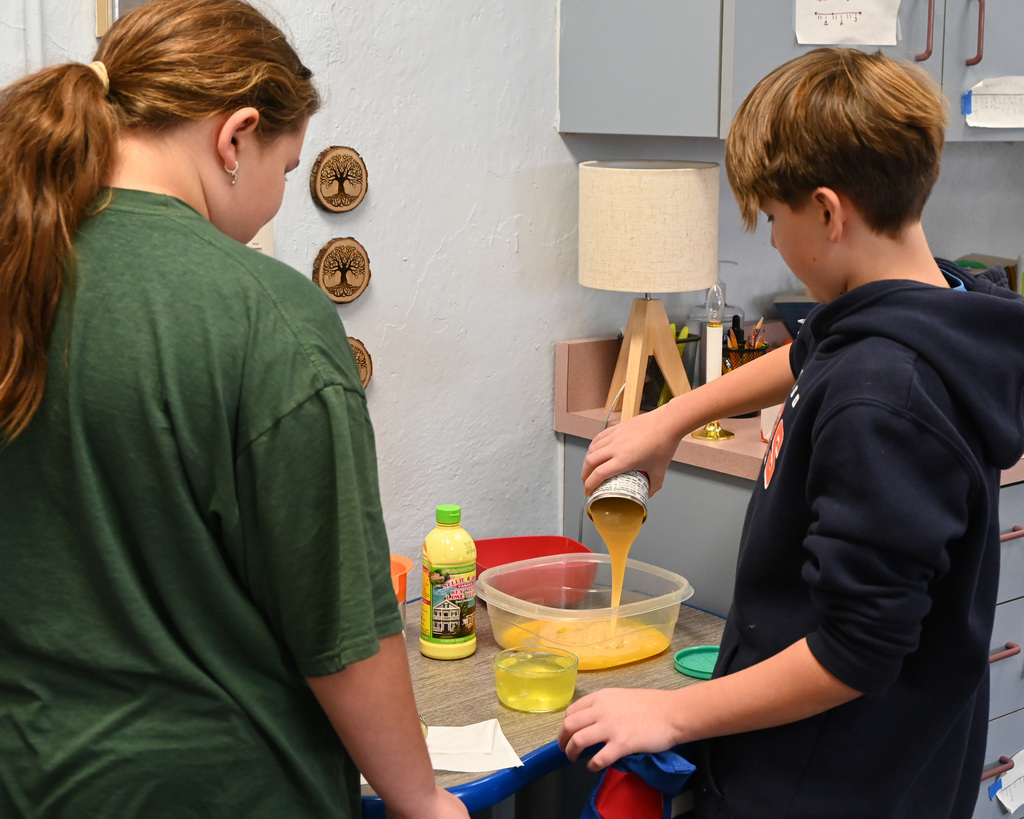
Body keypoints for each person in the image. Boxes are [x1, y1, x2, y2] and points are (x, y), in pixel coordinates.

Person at [0, 2, 468, 818]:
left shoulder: (20, 263)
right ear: (235, 136)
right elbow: (341, 628)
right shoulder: (270, 317)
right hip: (224, 789)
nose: (277, 200)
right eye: (287, 172)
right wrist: (423, 798)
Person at [558, 47, 1024, 819]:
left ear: (829, 212)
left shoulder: (882, 401)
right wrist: (671, 417)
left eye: (773, 218)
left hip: (827, 782)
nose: (771, 240)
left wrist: (670, 712)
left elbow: (855, 650)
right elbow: (806, 351)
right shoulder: (930, 299)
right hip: (888, 761)